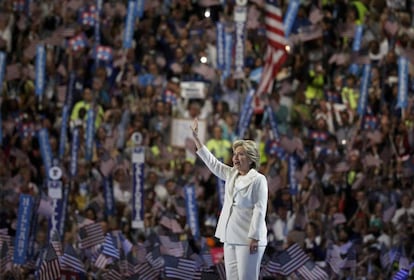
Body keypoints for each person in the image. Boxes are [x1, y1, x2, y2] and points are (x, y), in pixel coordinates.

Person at [191, 118, 268, 280]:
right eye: (235, 154)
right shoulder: (232, 173)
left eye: (241, 154)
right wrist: (197, 139)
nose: (236, 158)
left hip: (248, 238)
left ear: (251, 158)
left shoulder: (258, 179)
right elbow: (212, 163)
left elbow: (260, 209)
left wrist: (254, 237)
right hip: (230, 235)